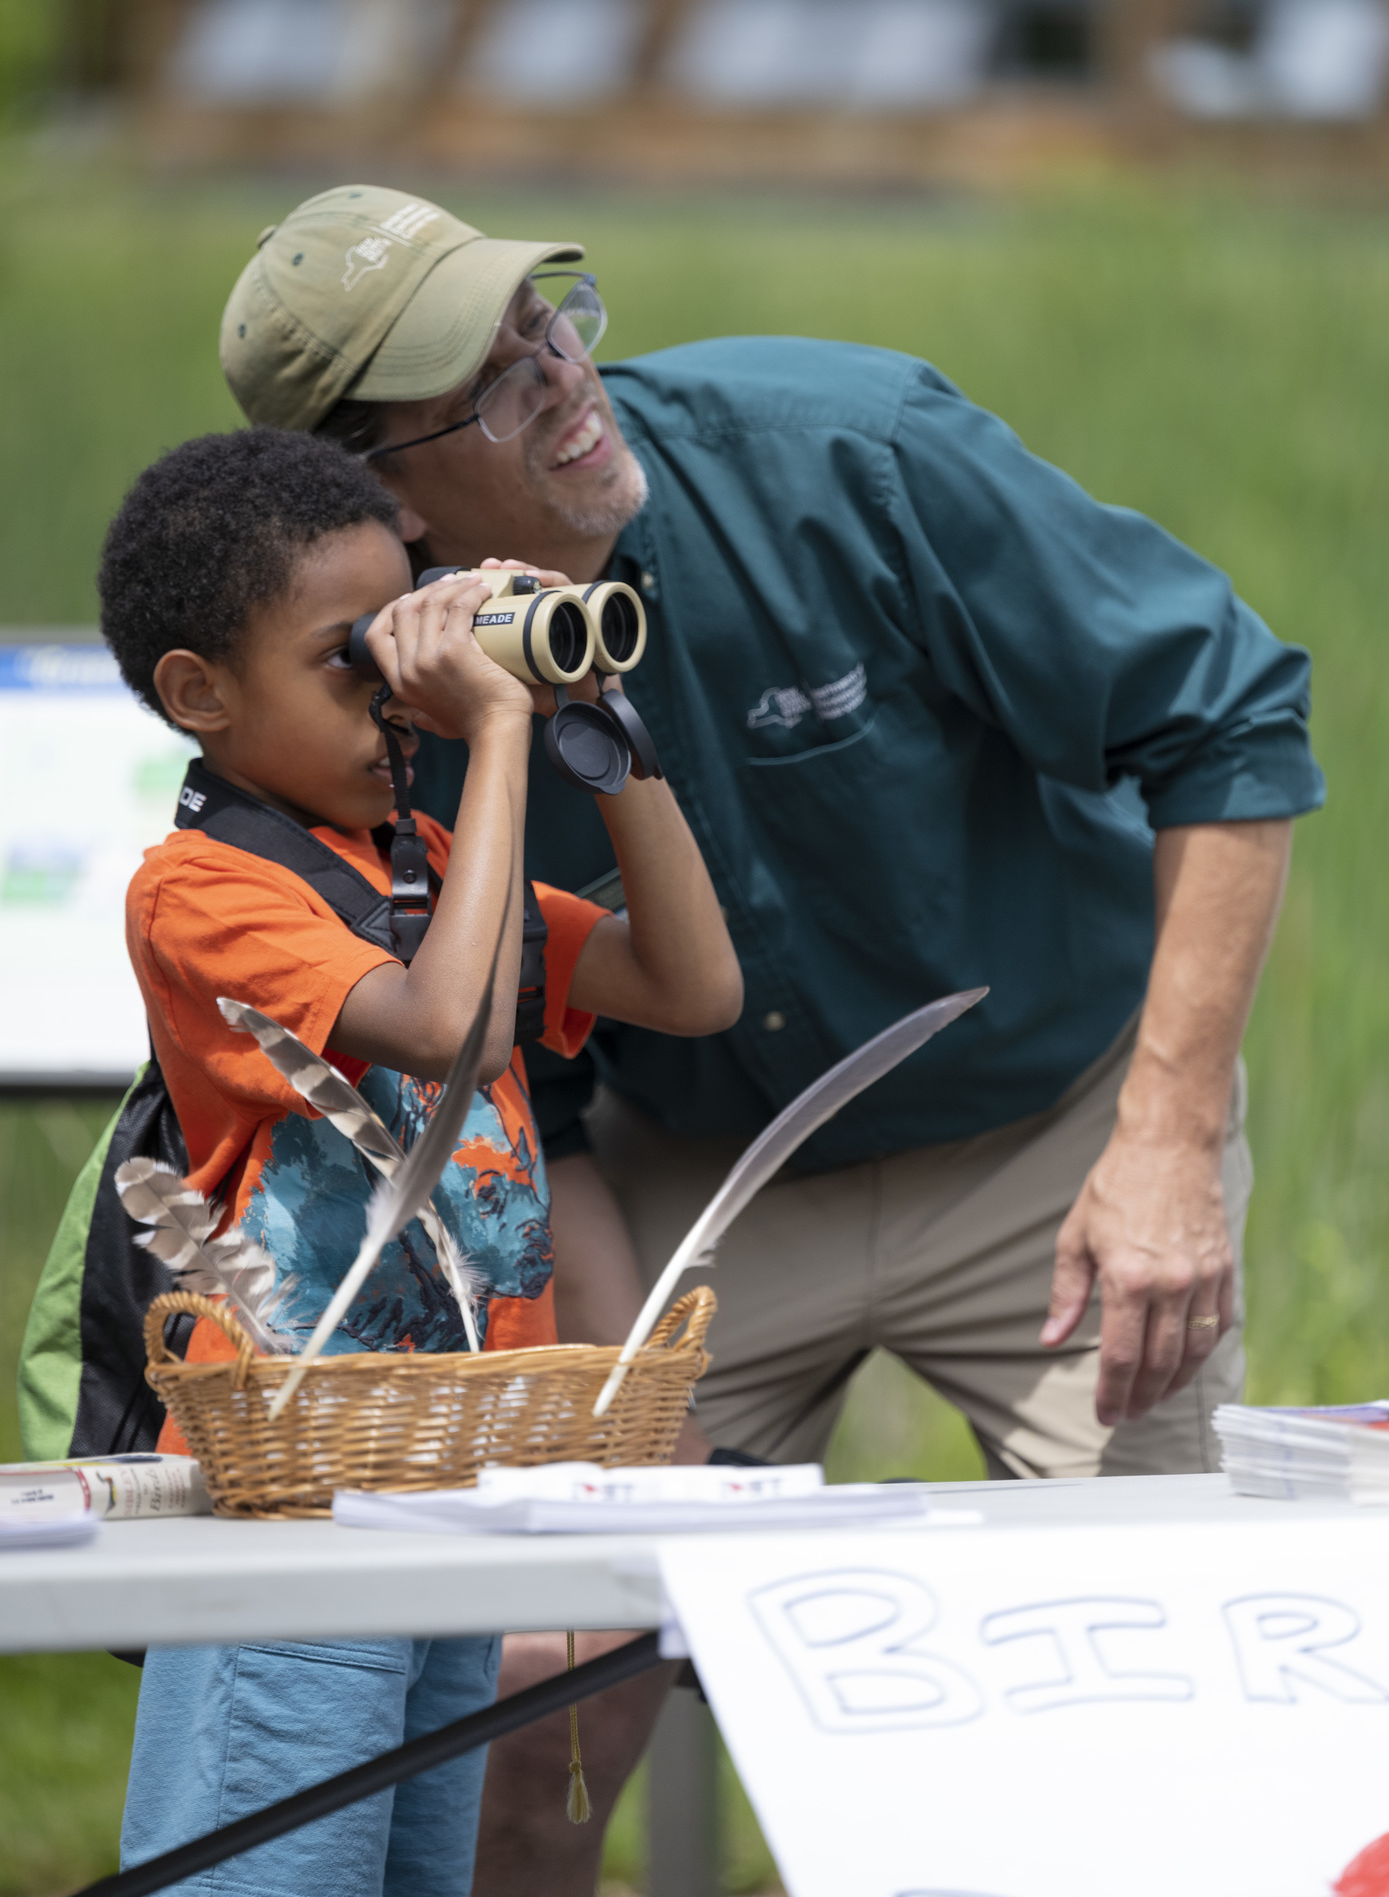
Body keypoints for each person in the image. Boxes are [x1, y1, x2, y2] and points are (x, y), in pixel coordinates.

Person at [218, 185, 1325, 1895]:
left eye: (547, 319)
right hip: (689, 1185)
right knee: (537, 1711)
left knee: (1161, 1681)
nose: (561, 376)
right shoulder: (353, 702)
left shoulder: (847, 447)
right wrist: (613, 1390)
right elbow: (522, 1092)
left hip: (1056, 1137)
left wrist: (1166, 1144)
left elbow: (1227, 713)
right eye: (491, 379)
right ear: (370, 489)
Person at [98, 425, 741, 1897]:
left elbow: (691, 984)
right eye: (351, 659)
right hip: (295, 1509)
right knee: (277, 1872)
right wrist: (501, 734)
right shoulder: (197, 894)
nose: (402, 693)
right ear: (199, 692)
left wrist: (593, 716)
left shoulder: (434, 871)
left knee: (409, 1875)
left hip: (446, 1477)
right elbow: (441, 1026)